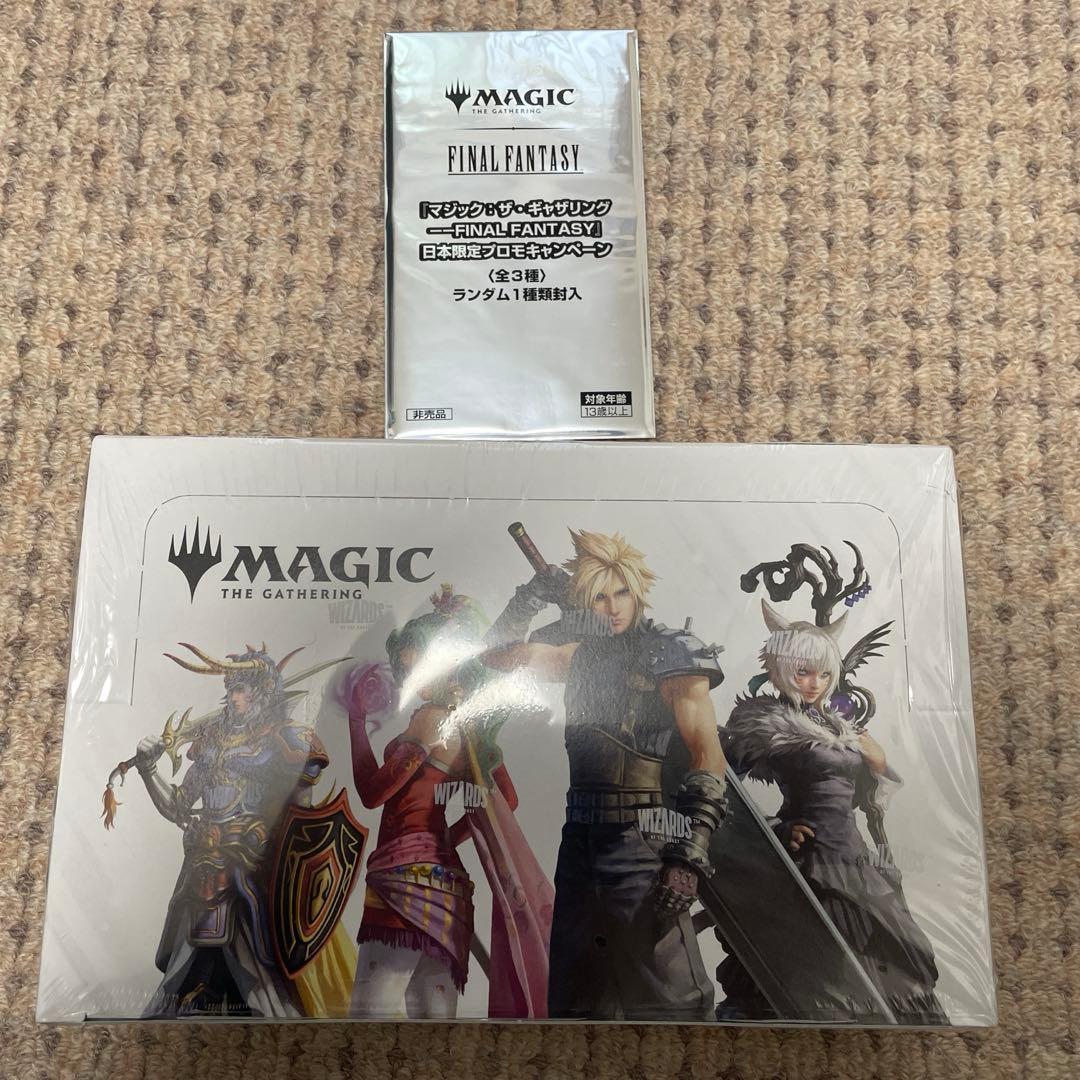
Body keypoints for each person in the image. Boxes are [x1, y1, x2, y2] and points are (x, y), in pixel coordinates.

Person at [483, 528, 729, 1021]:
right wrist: (530, 595)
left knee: (671, 1001)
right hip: (579, 843)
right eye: (598, 597)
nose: (612, 608)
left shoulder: (669, 653)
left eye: (621, 594)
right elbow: (497, 655)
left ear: (637, 594)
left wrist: (690, 853)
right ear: (583, 600)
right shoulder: (577, 656)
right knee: (575, 999)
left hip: (643, 842)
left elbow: (707, 755)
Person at [719, 600, 947, 1023]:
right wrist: (774, 831)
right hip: (811, 859)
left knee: (894, 951)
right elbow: (717, 786)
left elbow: (867, 797)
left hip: (854, 856)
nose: (815, 684)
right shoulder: (763, 723)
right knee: (821, 960)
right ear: (780, 667)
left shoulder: (839, 726)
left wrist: (877, 763)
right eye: (804, 672)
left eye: (824, 674)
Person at [346, 585, 552, 1019]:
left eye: (417, 664)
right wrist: (442, 840)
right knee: (436, 1026)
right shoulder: (471, 730)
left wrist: (356, 720)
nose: (411, 677)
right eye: (406, 667)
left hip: (403, 881)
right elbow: (507, 798)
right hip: (449, 887)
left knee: (368, 1017)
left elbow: (372, 793)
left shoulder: (430, 719)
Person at [130, 643, 349, 1017]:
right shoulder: (210, 746)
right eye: (231, 688)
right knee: (186, 959)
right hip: (204, 864)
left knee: (262, 972)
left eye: (242, 688)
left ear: (263, 692)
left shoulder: (283, 740)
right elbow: (177, 805)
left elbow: (303, 814)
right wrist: (148, 770)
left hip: (253, 868)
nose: (234, 697)